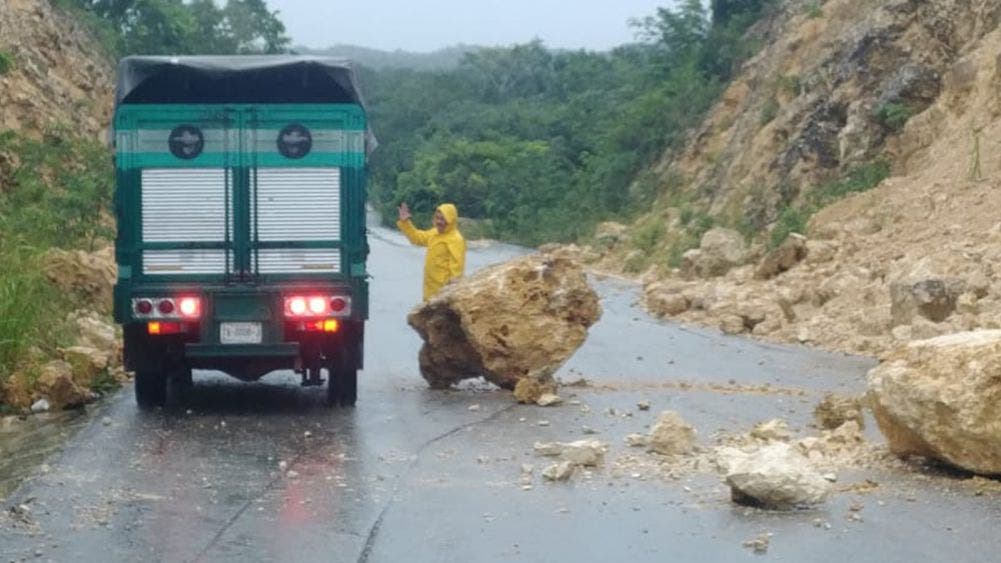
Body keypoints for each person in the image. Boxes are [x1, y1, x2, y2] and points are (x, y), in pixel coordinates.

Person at [397, 202, 466, 301]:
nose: (439, 221)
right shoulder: (434, 233)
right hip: (429, 290)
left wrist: (450, 294)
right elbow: (417, 238)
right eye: (437, 218)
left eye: (443, 219)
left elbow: (457, 271)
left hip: (443, 293)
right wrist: (405, 222)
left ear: (451, 220)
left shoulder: (456, 240)